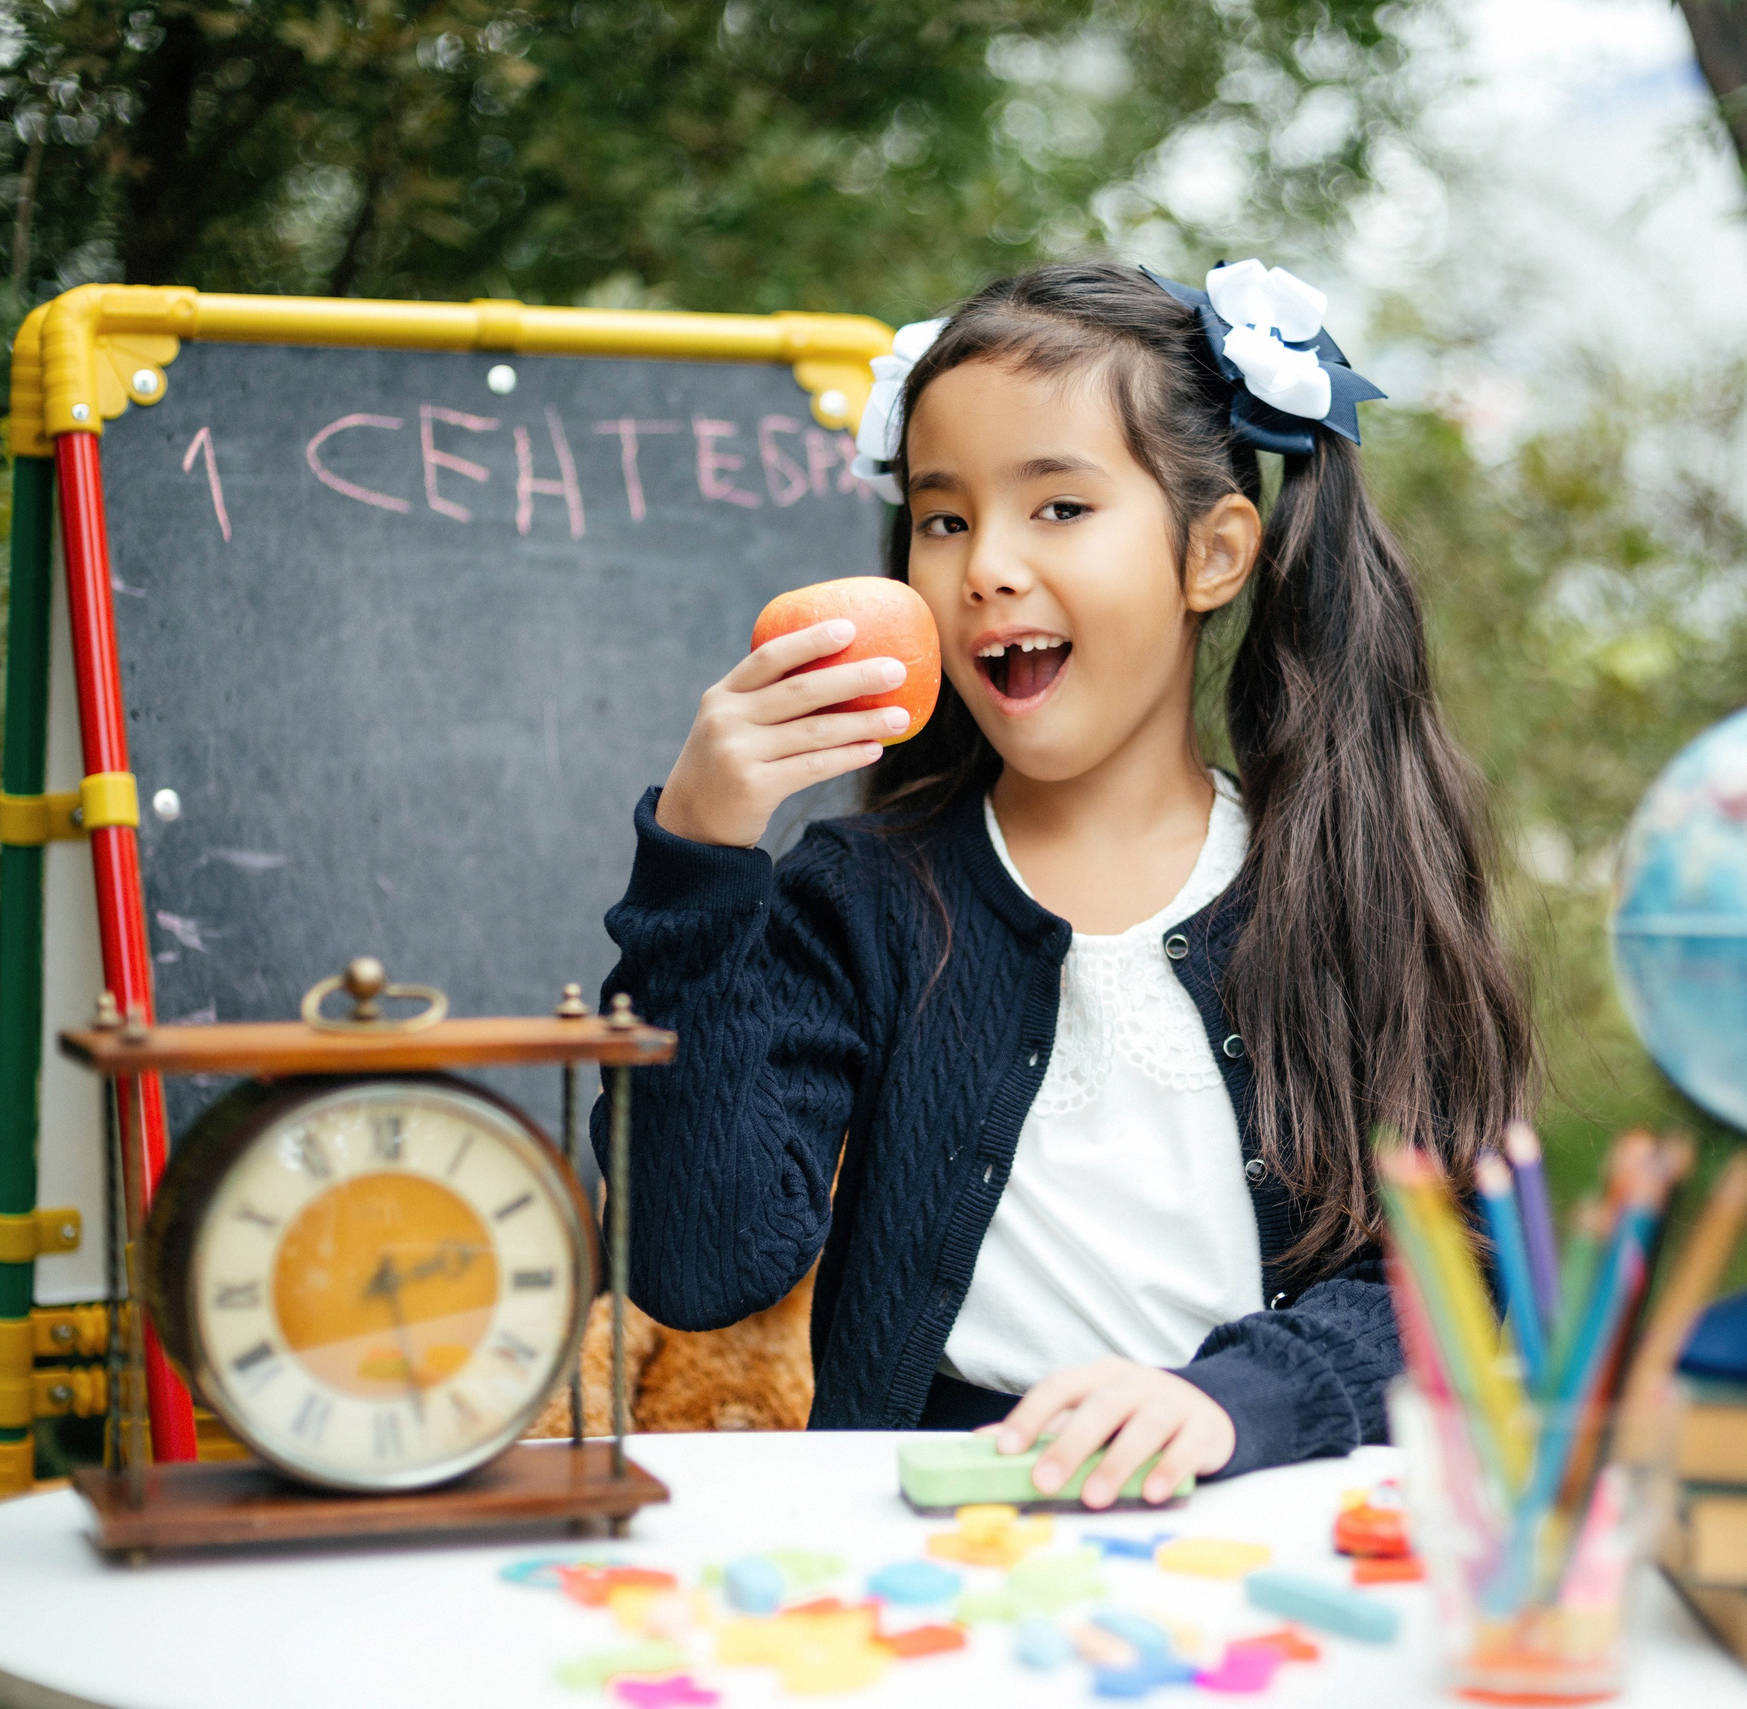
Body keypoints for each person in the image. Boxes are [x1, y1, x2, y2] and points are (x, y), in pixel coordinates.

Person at [597, 259, 1534, 1506]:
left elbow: (1454, 1272)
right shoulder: (858, 898)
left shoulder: (1341, 879)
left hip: (1266, 1510)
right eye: (944, 517)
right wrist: (701, 861)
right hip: (934, 1532)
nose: (985, 564)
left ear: (1213, 552)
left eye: (1056, 508)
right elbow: (698, 1263)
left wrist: (1227, 1400)